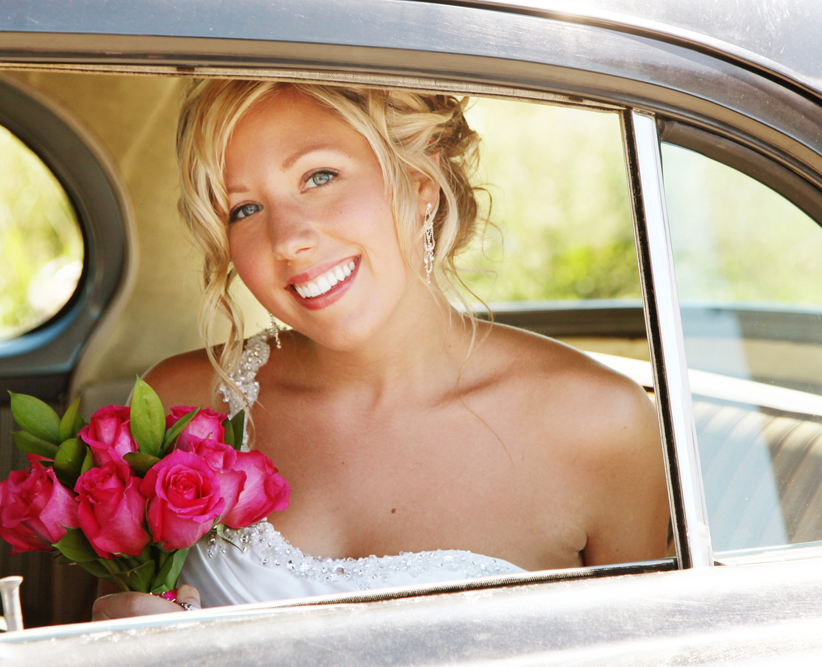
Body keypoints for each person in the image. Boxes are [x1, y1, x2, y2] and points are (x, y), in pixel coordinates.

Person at [92, 79, 669, 620]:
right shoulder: (179, 405)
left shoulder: (600, 425)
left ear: (420, 179)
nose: (288, 238)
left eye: (319, 177)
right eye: (245, 208)